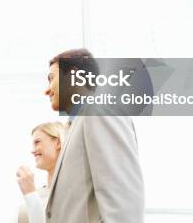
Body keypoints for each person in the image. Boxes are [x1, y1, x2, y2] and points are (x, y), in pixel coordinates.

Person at [43, 48, 145, 223]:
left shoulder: (99, 110)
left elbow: (123, 199)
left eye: (51, 79)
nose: (46, 90)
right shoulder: (75, 125)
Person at [15, 122, 66, 223]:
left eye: (37, 142)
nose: (32, 150)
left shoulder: (73, 193)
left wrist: (30, 194)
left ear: (58, 143)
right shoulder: (37, 192)